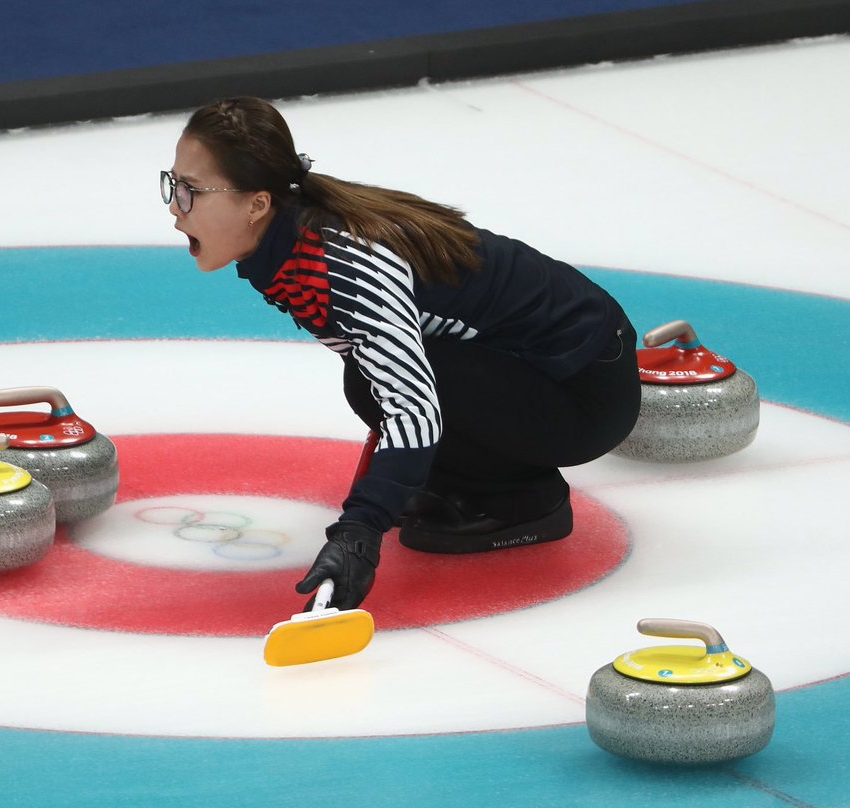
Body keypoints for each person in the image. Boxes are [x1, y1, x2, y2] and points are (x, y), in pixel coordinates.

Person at [163, 97, 641, 611]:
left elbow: (412, 406)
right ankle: (474, 479)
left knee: (396, 385)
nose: (174, 207)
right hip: (544, 370)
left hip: (586, 392)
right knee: (367, 379)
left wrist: (359, 534)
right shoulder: (290, 243)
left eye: (190, 191)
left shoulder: (344, 263)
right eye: (173, 184)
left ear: (257, 205)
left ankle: (525, 500)